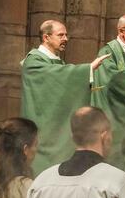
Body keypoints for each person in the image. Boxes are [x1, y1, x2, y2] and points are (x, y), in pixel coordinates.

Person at [19, 20, 110, 175]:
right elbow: (57, 80)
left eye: (66, 35)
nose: (65, 39)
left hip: (56, 129)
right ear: (46, 37)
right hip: (42, 130)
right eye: (60, 35)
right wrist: (88, 68)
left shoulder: (56, 62)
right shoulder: (34, 62)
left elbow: (61, 85)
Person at [90, 14, 125, 176]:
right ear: (121, 31)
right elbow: (111, 80)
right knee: (115, 166)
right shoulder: (108, 52)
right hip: (114, 117)